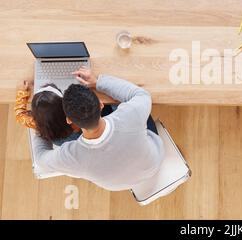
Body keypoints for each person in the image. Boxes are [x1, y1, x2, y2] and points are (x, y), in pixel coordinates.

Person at [30, 67, 164, 191]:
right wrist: (98, 82)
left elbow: (40, 159)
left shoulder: (70, 157)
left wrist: (41, 121)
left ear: (69, 120)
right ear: (101, 104)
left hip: (117, 185)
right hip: (152, 165)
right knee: (128, 106)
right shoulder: (129, 114)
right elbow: (142, 95)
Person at [15, 81, 81, 145]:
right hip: (77, 138)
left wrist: (22, 92)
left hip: (59, 142)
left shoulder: (35, 122)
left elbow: (19, 115)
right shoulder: (74, 119)